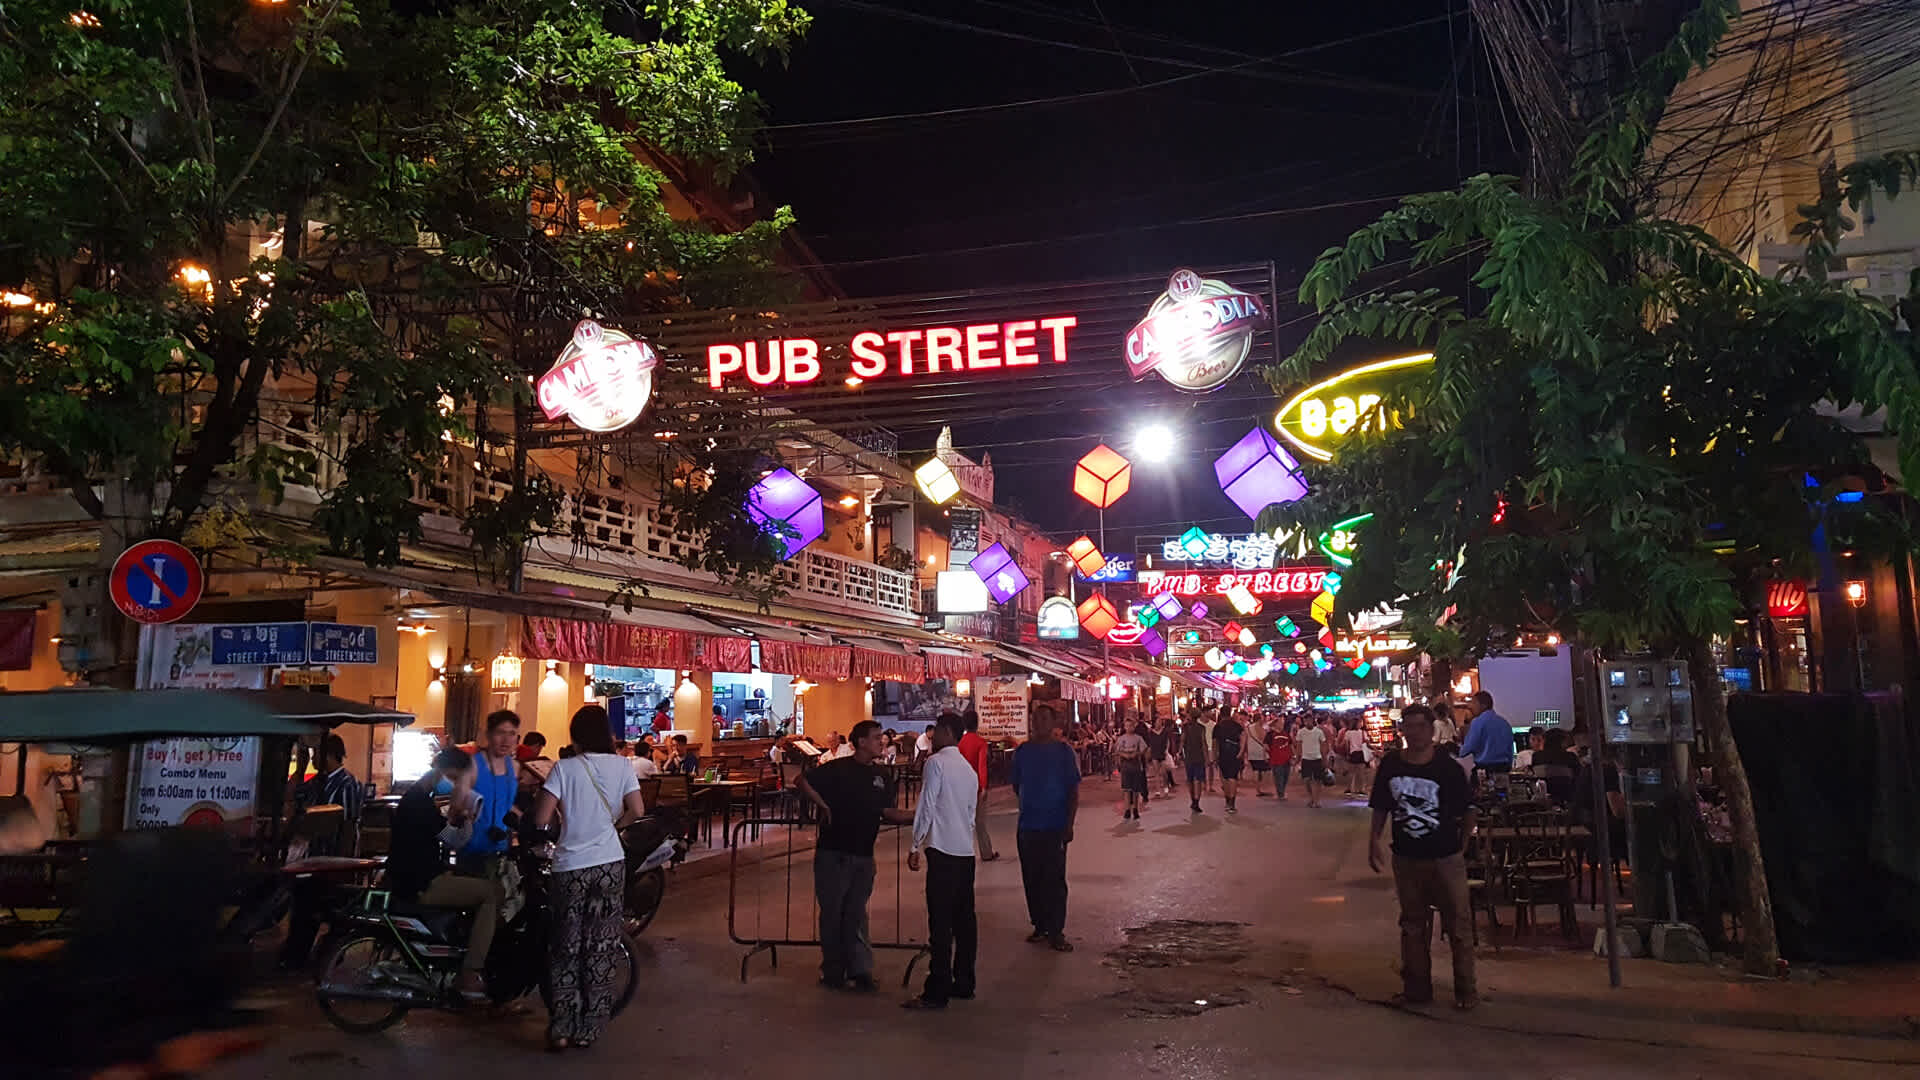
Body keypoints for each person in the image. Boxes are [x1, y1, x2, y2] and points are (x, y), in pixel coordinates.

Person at [531, 706, 647, 1051]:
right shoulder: (622, 766)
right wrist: (613, 827)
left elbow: (541, 818)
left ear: (576, 736)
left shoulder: (563, 769)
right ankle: (590, 1027)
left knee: (566, 945)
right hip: (610, 862)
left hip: (570, 866)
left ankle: (562, 1026)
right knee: (601, 945)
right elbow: (638, 811)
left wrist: (562, 822)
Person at [1367, 703, 1476, 1010]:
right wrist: (1373, 839)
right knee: (1413, 925)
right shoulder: (1391, 764)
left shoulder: (1448, 768)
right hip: (1407, 856)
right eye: (1409, 726)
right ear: (1402, 730)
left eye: (1420, 726)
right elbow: (1381, 806)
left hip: (1445, 857)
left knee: (1458, 925)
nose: (1414, 733)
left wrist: (1463, 845)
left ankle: (1466, 990)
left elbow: (1468, 809)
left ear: (1431, 730)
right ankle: (1417, 989)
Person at [796, 720, 914, 992]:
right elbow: (801, 780)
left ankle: (860, 969)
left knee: (856, 913)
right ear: (860, 742)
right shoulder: (837, 769)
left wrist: (919, 818)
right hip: (833, 852)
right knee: (833, 912)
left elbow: (887, 811)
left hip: (863, 853)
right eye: (875, 738)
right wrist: (821, 804)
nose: (880, 742)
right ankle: (833, 970)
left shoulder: (882, 776)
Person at [385, 747, 501, 1003]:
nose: (457, 785)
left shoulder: (418, 798)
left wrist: (458, 819)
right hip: (421, 883)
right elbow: (451, 840)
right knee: (491, 894)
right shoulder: (420, 803)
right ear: (444, 772)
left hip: (414, 876)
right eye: (456, 778)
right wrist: (466, 818)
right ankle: (470, 972)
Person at [903, 712, 977, 1010]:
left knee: (941, 923)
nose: (932, 737)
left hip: (942, 851)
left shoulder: (936, 764)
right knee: (964, 922)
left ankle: (937, 990)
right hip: (964, 852)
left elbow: (927, 804)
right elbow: (970, 814)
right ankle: (964, 981)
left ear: (947, 731)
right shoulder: (968, 771)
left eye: (937, 732)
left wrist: (914, 844)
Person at [277, 733, 365, 969]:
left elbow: (348, 827)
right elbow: (289, 795)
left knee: (315, 908)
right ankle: (296, 955)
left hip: (332, 861)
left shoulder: (348, 785)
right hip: (312, 858)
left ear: (329, 754)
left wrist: (344, 865)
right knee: (303, 907)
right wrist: (300, 769)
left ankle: (307, 957)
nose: (314, 758)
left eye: (316, 754)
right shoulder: (316, 783)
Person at [1010, 706, 1082, 951]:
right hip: (1028, 826)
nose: (1037, 723)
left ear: (1054, 722)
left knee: (1054, 880)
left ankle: (1056, 930)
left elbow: (1073, 792)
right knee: (1032, 878)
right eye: (1034, 719)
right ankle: (1040, 925)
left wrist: (1069, 824)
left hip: (1055, 826)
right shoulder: (1022, 752)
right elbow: (1017, 786)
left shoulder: (1064, 753)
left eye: (1043, 719)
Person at [459, 710, 522, 878]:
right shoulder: (472, 765)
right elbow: (456, 807)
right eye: (500, 733)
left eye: (512, 734)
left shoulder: (514, 767)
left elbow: (507, 804)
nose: (506, 740)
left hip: (502, 849)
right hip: (473, 851)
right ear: (489, 735)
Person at [957, 709, 999, 861]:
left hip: (961, 787)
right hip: (976, 787)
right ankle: (986, 853)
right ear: (977, 723)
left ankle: (962, 852)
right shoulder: (980, 742)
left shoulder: (959, 743)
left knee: (963, 821)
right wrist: (983, 787)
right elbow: (982, 766)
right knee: (980, 821)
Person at [1458, 690, 1515, 789]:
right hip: (1504, 770)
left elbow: (1466, 750)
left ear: (1483, 705)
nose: (1470, 707)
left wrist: (1459, 748)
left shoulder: (1477, 722)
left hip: (1485, 772)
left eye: (1474, 703)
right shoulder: (1504, 723)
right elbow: (1510, 750)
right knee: (1503, 799)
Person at [1213, 708, 1247, 814]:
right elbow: (1243, 737)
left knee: (1225, 778)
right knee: (1233, 777)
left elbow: (1215, 743)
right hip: (1234, 752)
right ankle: (1232, 803)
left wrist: (1215, 756)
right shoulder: (1237, 725)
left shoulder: (1217, 726)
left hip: (1223, 753)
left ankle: (1227, 800)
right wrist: (1241, 752)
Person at [1533, 728, 1580, 804]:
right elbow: (1579, 776)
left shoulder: (1536, 756)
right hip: (1567, 797)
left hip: (1544, 798)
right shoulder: (1570, 757)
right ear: (1561, 741)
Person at [1112, 721, 1149, 820]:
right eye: (1127, 726)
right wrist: (1122, 758)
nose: (1129, 727)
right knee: (1126, 789)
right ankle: (1127, 809)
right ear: (1124, 727)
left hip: (1136, 765)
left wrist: (1137, 754)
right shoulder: (1121, 739)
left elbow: (1144, 749)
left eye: (1131, 725)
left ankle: (1136, 809)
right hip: (1125, 766)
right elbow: (1117, 751)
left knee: (1136, 789)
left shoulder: (1138, 738)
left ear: (1134, 726)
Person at [1295, 714, 1329, 808]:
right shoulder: (1301, 732)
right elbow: (1298, 745)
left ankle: (1316, 800)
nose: (1308, 722)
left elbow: (1323, 745)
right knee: (1307, 780)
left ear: (1313, 721)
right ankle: (1311, 797)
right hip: (1306, 759)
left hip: (1317, 758)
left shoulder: (1319, 732)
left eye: (1309, 720)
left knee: (1318, 780)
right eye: (1306, 721)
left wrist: (1325, 759)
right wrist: (1297, 758)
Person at [1181, 712, 1210, 813]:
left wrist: (1179, 752)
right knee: (1198, 779)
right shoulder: (1201, 728)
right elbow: (1203, 743)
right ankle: (1196, 801)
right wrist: (1207, 757)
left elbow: (1182, 740)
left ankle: (1193, 799)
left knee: (1190, 780)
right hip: (1199, 756)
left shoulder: (1185, 727)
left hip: (1189, 756)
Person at [1341, 718, 1371, 798]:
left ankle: (1349, 789)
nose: (1362, 724)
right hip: (1361, 753)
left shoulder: (1348, 733)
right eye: (1361, 723)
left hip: (1352, 754)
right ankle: (1361, 790)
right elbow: (1367, 743)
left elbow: (1346, 744)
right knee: (1361, 773)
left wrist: (1347, 754)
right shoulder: (1363, 733)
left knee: (1351, 773)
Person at [1246, 713, 1271, 797]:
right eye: (1262, 718)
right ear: (1259, 719)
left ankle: (1258, 789)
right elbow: (1262, 739)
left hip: (1251, 751)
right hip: (1260, 751)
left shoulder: (1248, 727)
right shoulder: (1260, 727)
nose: (1263, 720)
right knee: (1262, 770)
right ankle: (1260, 789)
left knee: (1255, 770)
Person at [1145, 717, 1172, 796]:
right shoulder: (1151, 732)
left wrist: (1167, 750)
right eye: (1158, 721)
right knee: (1156, 772)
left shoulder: (1164, 731)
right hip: (1155, 753)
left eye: (1160, 721)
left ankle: (1165, 786)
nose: (1159, 723)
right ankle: (1158, 789)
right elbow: (1149, 744)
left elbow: (1167, 741)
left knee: (1164, 772)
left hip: (1162, 752)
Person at [1267, 720, 1294, 801]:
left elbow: (1291, 744)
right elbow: (1265, 745)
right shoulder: (1270, 734)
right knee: (1279, 777)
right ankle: (1280, 793)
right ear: (1275, 725)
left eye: (1282, 723)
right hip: (1276, 759)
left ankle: (1282, 791)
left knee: (1285, 776)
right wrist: (1270, 753)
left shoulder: (1286, 734)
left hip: (1287, 758)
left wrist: (1293, 755)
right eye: (1280, 723)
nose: (1281, 725)